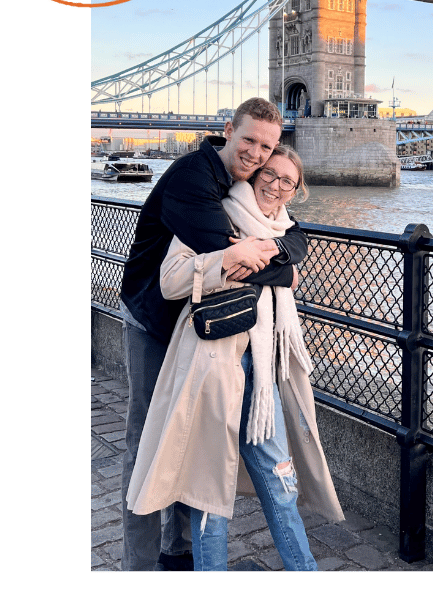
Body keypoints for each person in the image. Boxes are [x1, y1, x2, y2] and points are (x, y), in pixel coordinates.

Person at [126, 146, 343, 572]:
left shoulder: (285, 232)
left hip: (263, 373)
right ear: (255, 173)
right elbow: (171, 281)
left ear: (295, 192)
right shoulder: (211, 214)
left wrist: (270, 263)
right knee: (210, 492)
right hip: (211, 365)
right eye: (271, 173)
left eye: (288, 181)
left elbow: (292, 268)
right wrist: (227, 260)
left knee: (281, 481)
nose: (276, 185)